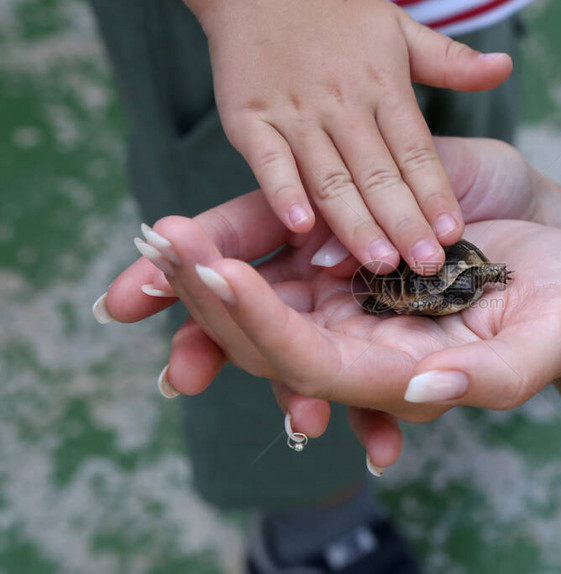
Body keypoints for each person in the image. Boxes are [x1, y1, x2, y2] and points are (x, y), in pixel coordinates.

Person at [99, 137, 561, 571]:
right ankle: (304, 524)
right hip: (409, 272)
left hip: (423, 286)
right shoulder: (460, 270)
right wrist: (557, 225)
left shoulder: (466, 282)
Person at [88, 0, 530, 571]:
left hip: (456, 16)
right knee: (256, 307)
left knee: (443, 168)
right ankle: (314, 522)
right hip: (248, 41)